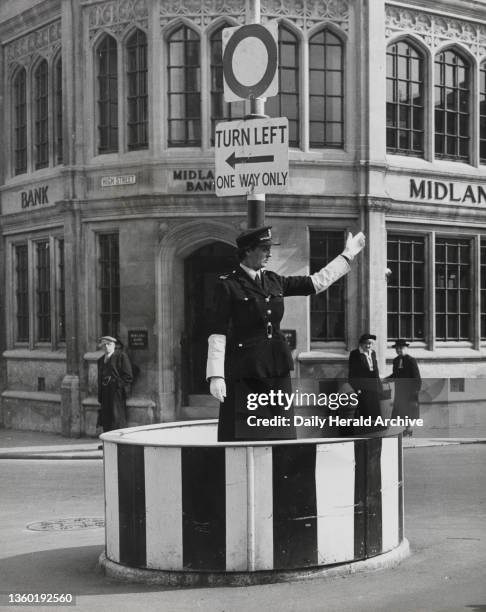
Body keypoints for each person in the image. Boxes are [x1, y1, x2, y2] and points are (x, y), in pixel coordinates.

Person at [206, 226, 366, 442]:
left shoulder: (274, 280)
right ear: (247, 251)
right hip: (246, 370)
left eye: (269, 248)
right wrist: (216, 375)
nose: (269, 254)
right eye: (264, 249)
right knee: (245, 433)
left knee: (279, 430)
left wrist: (346, 256)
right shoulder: (228, 285)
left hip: (277, 367)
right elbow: (217, 332)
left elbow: (315, 282)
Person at [97, 335, 133, 433]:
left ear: (113, 346)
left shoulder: (121, 357)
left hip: (116, 393)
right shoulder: (100, 360)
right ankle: (107, 441)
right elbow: (100, 378)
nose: (106, 347)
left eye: (109, 344)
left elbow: (128, 376)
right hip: (105, 393)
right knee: (106, 418)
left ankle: (117, 441)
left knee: (116, 418)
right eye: (104, 345)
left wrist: (116, 384)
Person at [386, 339, 422, 436]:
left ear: (406, 348)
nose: (399, 350)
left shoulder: (411, 361)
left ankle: (408, 430)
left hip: (410, 391)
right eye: (397, 349)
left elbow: (416, 377)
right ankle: (402, 430)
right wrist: (386, 379)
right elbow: (395, 375)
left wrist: (415, 391)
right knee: (400, 411)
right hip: (400, 391)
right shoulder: (396, 361)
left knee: (409, 411)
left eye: (401, 348)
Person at [348, 333, 383, 427]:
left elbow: (376, 371)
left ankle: (375, 432)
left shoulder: (373, 353)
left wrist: (379, 386)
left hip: (373, 386)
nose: (368, 345)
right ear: (361, 344)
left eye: (370, 343)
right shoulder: (355, 354)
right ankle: (363, 432)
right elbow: (352, 374)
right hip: (362, 388)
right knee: (364, 410)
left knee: (375, 410)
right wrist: (357, 388)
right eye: (366, 343)